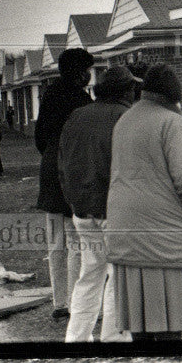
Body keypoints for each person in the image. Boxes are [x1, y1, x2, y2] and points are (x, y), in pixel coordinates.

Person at [106, 63, 182, 342]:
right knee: (170, 323)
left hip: (125, 228)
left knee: (139, 321)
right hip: (163, 237)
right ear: (174, 95)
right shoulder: (172, 122)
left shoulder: (124, 120)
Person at [58, 65, 142, 343]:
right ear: (127, 90)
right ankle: (114, 338)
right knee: (118, 276)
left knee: (89, 275)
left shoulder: (77, 115)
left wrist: (73, 201)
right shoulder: (127, 117)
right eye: (132, 87)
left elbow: (63, 163)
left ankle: (76, 337)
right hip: (113, 210)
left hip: (82, 209)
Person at [35, 48, 96, 318]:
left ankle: (59, 302)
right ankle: (73, 303)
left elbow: (39, 136)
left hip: (48, 166)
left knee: (55, 242)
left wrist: (50, 154)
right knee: (75, 242)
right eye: (88, 70)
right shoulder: (81, 100)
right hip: (71, 169)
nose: (90, 75)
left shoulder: (49, 94)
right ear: (79, 71)